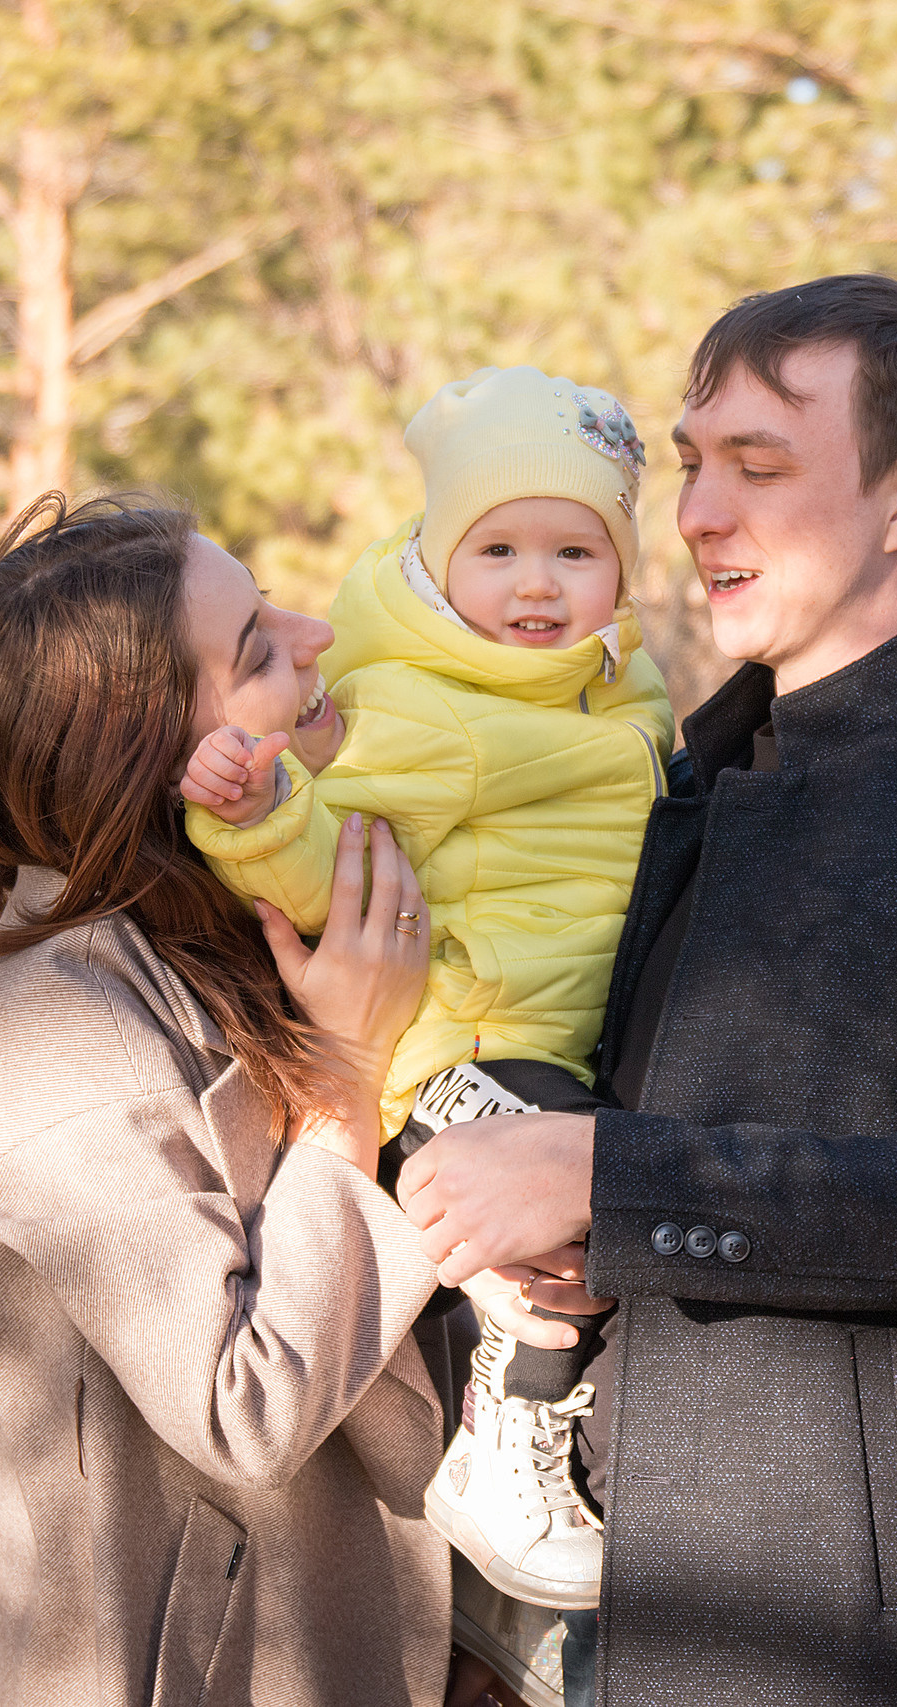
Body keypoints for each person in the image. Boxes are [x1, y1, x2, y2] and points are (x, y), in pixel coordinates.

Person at [400, 274, 897, 1705]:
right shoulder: (676, 777)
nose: (700, 514)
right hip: (574, 1594)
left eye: (759, 467)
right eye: (693, 464)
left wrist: (604, 1176)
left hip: (853, 1629)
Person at [0, 495, 497, 1706]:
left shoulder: (245, 910)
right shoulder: (52, 1037)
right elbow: (243, 1408)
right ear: (142, 756)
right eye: (255, 649)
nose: (316, 635)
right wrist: (344, 1076)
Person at [177, 366, 674, 1613]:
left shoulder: (626, 688)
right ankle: (505, 1456)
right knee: (568, 1232)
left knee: (628, 1206)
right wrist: (259, 814)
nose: (536, 585)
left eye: (575, 551)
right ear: (438, 560)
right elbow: (328, 864)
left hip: (561, 1038)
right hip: (457, 1043)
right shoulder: (424, 709)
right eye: (497, 550)